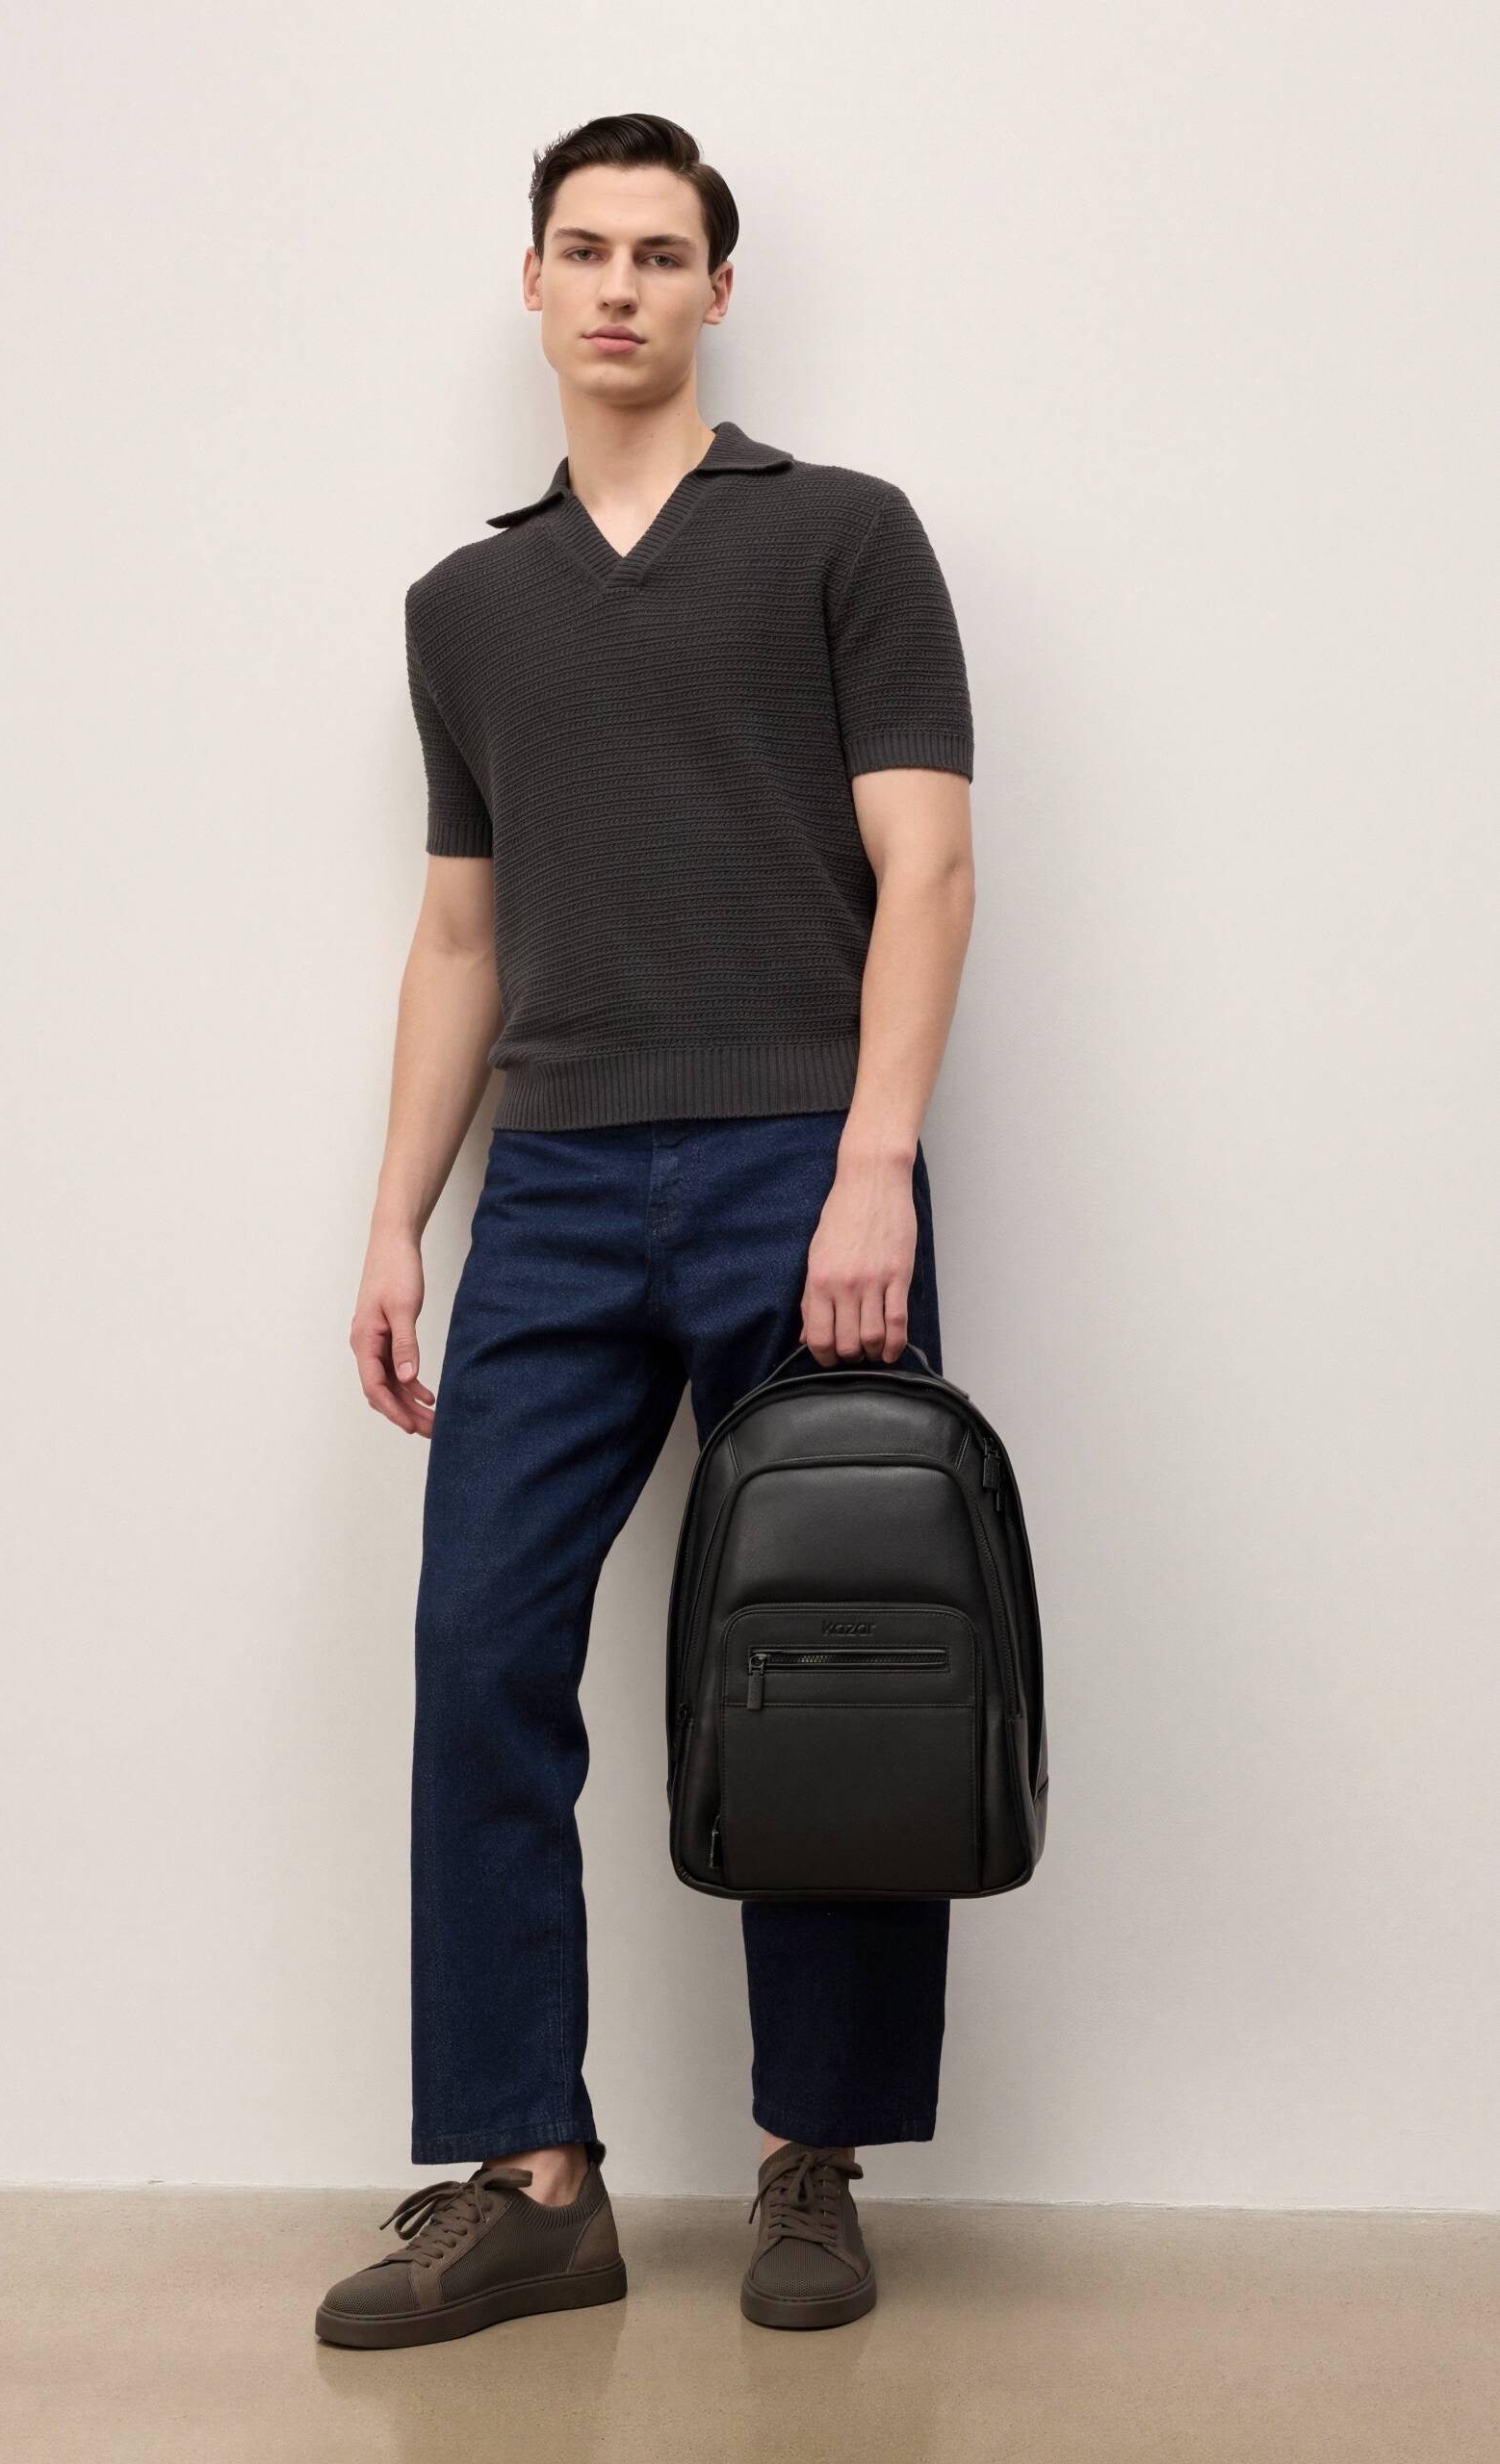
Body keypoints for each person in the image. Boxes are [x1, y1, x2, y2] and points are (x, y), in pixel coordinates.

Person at [317, 110, 975, 2350]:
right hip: (559, 1187)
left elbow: (927, 866)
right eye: (583, 249)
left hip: (802, 1156)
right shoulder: (465, 605)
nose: (619, 284)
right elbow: (458, 933)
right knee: (478, 1648)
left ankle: (812, 2154)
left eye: (660, 252)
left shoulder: (841, 537)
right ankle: (533, 2176)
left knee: (829, 1653)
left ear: (714, 289)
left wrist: (874, 1156)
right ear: (532, 283)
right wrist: (395, 1221)